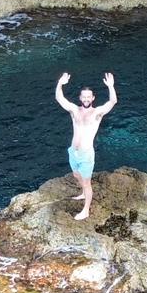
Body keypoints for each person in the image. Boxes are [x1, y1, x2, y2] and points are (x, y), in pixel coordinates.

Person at [54, 71, 117, 220]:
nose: (86, 99)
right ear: (80, 98)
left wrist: (111, 86)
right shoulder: (74, 110)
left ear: (93, 98)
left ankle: (86, 210)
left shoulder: (97, 113)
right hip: (73, 152)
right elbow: (59, 98)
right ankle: (83, 193)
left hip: (86, 154)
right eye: (84, 96)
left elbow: (112, 101)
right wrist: (60, 83)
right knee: (76, 175)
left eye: (89, 97)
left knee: (87, 182)